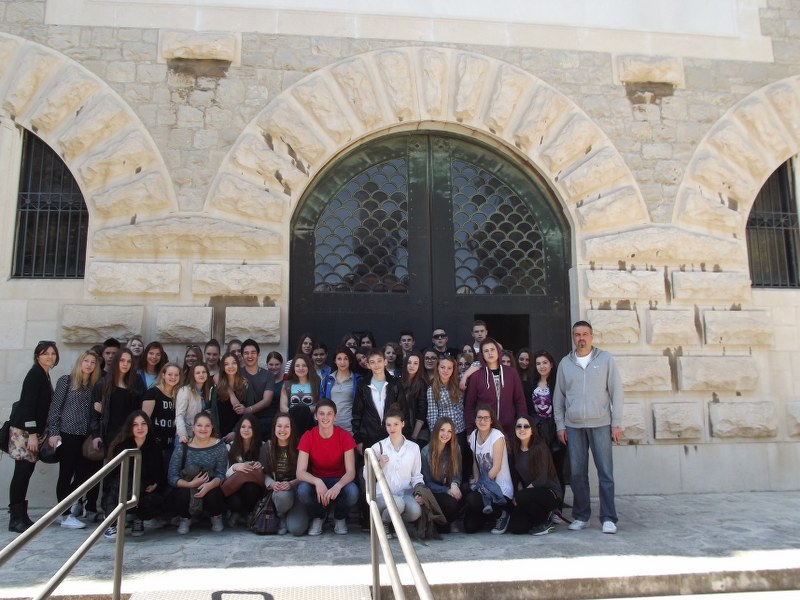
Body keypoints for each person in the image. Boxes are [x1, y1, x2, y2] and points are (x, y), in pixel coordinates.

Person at [554, 320, 623, 534]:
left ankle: (608, 518)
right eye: (577, 334)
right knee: (577, 474)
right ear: (573, 337)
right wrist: (560, 425)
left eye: (585, 334)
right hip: (573, 426)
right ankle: (581, 516)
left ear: (591, 337)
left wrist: (616, 423)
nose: (581, 338)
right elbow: (559, 397)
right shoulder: (565, 363)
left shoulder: (605, 359)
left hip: (601, 423)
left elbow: (617, 392)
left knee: (605, 473)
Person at [7, 341, 59, 533]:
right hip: (25, 433)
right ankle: (15, 519)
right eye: (45, 353)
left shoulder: (44, 374)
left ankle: (22, 516)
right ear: (37, 356)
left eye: (53, 353)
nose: (50, 357)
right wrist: (33, 435)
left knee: (26, 472)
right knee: (21, 473)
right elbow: (28, 406)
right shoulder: (35, 374)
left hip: (31, 433)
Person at [47, 350, 102, 530]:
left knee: (84, 475)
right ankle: (64, 515)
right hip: (67, 433)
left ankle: (62, 507)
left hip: (85, 436)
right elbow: (55, 409)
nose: (89, 365)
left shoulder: (94, 386)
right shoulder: (66, 381)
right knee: (66, 473)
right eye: (86, 361)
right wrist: (54, 432)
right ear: (80, 362)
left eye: (92, 362)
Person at [296, 399, 359, 535]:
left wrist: (338, 485)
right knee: (302, 490)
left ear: (335, 416)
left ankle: (339, 517)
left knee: (352, 491)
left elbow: (351, 472)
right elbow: (300, 472)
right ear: (315, 416)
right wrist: (317, 481)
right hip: (317, 479)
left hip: (339, 479)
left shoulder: (345, 436)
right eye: (321, 413)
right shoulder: (308, 436)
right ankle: (319, 516)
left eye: (329, 413)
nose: (325, 417)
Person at [102, 411, 163, 539]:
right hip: (121, 485)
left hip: (145, 487)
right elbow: (112, 474)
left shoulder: (154, 445)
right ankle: (112, 522)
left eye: (143, 424)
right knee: (118, 489)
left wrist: (155, 483)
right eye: (135, 424)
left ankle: (138, 518)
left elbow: (159, 470)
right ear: (130, 427)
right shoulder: (121, 446)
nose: (140, 428)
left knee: (154, 499)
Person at [167, 412, 228, 534]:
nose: (203, 429)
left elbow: (221, 474)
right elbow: (172, 476)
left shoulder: (220, 446)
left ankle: (216, 516)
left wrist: (209, 486)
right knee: (181, 493)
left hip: (209, 485)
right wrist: (190, 484)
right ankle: (185, 518)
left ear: (212, 428)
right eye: (199, 425)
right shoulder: (183, 447)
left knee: (215, 492)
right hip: (188, 485)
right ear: (193, 427)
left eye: (207, 426)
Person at [368, 405, 424, 538]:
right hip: (382, 496)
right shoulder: (378, 447)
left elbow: (416, 476)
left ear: (403, 424)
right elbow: (367, 476)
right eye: (388, 425)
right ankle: (383, 523)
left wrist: (420, 492)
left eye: (396, 424)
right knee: (398, 503)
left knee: (415, 511)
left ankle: (395, 524)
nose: (392, 428)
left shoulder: (414, 448)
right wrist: (379, 465)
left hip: (405, 494)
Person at [507, 415, 561, 535]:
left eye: (526, 426)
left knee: (521, 497)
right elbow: (517, 477)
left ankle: (545, 523)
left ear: (532, 430)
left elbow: (541, 480)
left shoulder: (540, 447)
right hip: (530, 495)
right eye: (519, 426)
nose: (522, 429)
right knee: (516, 527)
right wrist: (517, 494)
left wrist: (521, 495)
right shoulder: (515, 448)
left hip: (549, 493)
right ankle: (541, 516)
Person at [464, 406, 513, 535]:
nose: (482, 421)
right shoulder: (473, 435)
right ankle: (488, 516)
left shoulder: (497, 436)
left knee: (474, 499)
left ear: (491, 420)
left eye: (486, 418)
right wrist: (476, 479)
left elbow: (496, 467)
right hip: (483, 486)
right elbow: (475, 462)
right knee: (469, 527)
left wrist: (480, 484)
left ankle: (502, 514)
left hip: (499, 488)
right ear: (475, 420)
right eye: (479, 418)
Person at [464, 338, 527, 438]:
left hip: (509, 430)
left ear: (498, 351)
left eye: (492, 349)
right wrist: (470, 430)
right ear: (482, 354)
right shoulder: (476, 376)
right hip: (484, 430)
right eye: (486, 351)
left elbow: (520, 401)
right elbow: (470, 405)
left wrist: (522, 425)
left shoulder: (511, 373)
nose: (490, 353)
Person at [352, 349, 409, 455]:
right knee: (372, 465)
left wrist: (404, 435)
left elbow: (403, 411)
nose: (376, 365)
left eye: (379, 361)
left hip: (393, 435)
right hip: (369, 436)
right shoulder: (362, 385)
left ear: (385, 361)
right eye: (372, 362)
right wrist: (358, 440)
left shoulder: (395, 384)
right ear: (368, 365)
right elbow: (357, 414)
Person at [262, 412, 308, 535]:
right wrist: (272, 484)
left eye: (287, 426)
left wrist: (292, 484)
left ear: (292, 429)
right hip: (279, 491)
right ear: (274, 428)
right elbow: (263, 473)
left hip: (298, 488)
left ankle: (293, 515)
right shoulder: (267, 447)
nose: (283, 430)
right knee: (283, 496)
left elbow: (307, 472)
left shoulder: (300, 445)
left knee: (296, 529)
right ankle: (281, 515)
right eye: (279, 426)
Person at [531, 349, 566, 508]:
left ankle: (558, 507)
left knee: (557, 471)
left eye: (545, 362)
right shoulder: (532, 384)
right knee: (541, 471)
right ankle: (544, 506)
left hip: (556, 432)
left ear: (551, 364)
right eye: (538, 363)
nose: (542, 366)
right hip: (539, 434)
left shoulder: (559, 383)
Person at [91, 348, 144, 454]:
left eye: (129, 361)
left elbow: (140, 410)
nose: (125, 364)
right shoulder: (103, 383)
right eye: (122, 360)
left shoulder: (136, 381)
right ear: (116, 362)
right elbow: (94, 415)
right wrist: (96, 435)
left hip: (130, 434)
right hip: (110, 434)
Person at [420, 417, 463, 533]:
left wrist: (454, 484)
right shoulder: (425, 452)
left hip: (450, 487)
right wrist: (447, 490)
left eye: (449, 431)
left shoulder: (455, 448)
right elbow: (427, 482)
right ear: (436, 431)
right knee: (450, 504)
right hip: (435, 491)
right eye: (442, 430)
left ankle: (454, 520)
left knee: (465, 490)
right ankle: (443, 522)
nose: (446, 434)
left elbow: (457, 473)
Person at [141, 362, 181, 485]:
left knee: (166, 480)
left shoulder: (177, 396)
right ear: (163, 375)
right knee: (154, 480)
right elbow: (144, 419)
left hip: (170, 445)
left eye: (176, 375)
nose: (173, 377)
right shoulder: (153, 392)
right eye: (170, 374)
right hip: (154, 446)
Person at [426, 356, 468, 469]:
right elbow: (432, 415)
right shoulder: (432, 389)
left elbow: (477, 364)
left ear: (454, 369)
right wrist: (436, 436)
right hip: (444, 433)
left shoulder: (458, 381)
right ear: (437, 368)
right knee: (447, 463)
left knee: (460, 461)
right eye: (443, 367)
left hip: (460, 430)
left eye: (449, 368)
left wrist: (465, 377)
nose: (446, 370)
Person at [223, 415, 265, 527]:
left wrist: (260, 466)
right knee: (235, 500)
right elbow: (223, 475)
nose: (246, 430)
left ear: (255, 429)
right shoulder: (229, 447)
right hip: (234, 488)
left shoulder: (263, 447)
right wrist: (235, 467)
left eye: (250, 427)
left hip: (253, 489)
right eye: (243, 427)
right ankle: (236, 513)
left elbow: (267, 475)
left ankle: (249, 514)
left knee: (250, 487)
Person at [210, 352, 256, 442]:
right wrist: (215, 432)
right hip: (218, 434)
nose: (230, 366)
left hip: (239, 434)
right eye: (226, 364)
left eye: (234, 363)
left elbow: (249, 413)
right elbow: (213, 410)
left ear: (238, 365)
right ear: (223, 367)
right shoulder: (217, 385)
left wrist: (236, 431)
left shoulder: (245, 385)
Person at [320, 347, 361, 434]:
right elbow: (322, 402)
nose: (342, 362)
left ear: (350, 360)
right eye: (339, 359)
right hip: (330, 426)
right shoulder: (327, 379)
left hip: (350, 427)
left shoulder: (358, 380)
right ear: (335, 361)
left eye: (346, 358)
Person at [240, 339, 275, 437]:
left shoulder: (268, 375)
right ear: (242, 356)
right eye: (246, 353)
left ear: (258, 354)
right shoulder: (237, 374)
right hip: (241, 420)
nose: (250, 356)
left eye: (253, 352)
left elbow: (267, 401)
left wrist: (247, 410)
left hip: (264, 420)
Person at [280, 354, 320, 438]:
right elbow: (283, 408)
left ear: (308, 367)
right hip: (292, 424)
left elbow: (319, 405)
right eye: (297, 366)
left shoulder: (316, 383)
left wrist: (304, 411)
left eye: (304, 365)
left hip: (311, 424)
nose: (301, 368)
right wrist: (296, 412)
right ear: (293, 368)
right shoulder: (287, 384)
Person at [175, 363, 213, 444]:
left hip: (202, 435)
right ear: (193, 375)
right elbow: (179, 415)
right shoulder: (185, 391)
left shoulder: (209, 390)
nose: (201, 375)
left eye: (204, 372)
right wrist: (182, 434)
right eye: (198, 373)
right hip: (186, 435)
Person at [403, 352, 428, 446]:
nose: (412, 366)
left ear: (419, 366)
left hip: (418, 430)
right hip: (402, 427)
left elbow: (422, 412)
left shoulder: (422, 384)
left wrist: (414, 437)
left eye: (415, 363)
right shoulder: (399, 382)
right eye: (409, 362)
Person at [264, 351, 285, 433]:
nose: (274, 367)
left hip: (280, 416)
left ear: (281, 364)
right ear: (267, 364)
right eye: (271, 364)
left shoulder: (287, 380)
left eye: (277, 364)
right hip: (264, 416)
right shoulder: (262, 379)